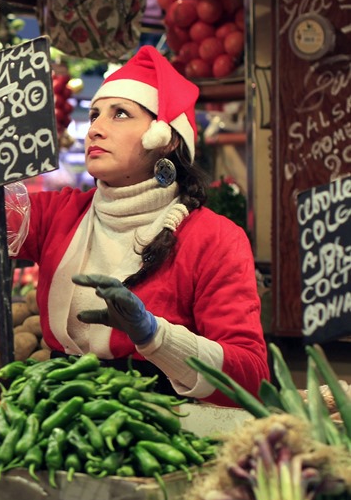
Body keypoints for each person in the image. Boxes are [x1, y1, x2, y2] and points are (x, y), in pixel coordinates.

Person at [15, 46, 267, 406]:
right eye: (95, 114)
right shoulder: (57, 213)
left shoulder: (215, 239)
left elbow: (252, 377)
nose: (95, 129)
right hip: (58, 420)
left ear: (166, 139)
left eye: (120, 114)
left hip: (161, 431)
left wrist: (157, 338)